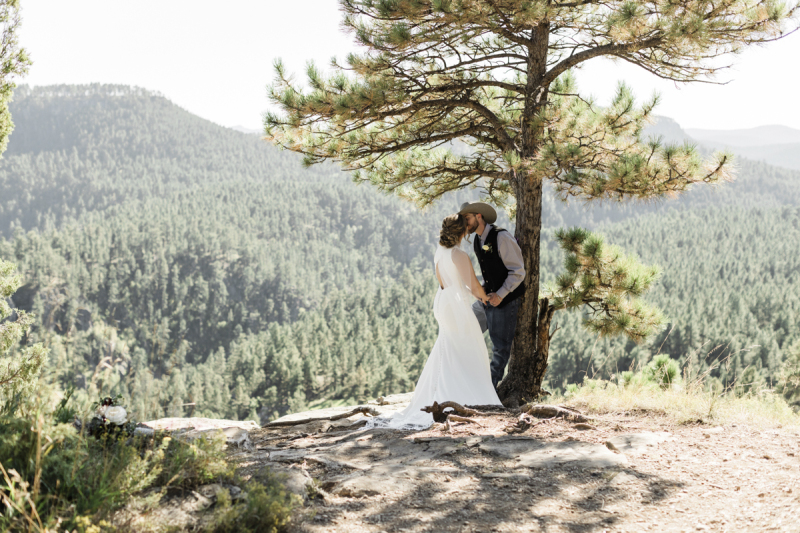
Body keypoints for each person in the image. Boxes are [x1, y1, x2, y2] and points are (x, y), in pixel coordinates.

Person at [366, 214, 502, 430]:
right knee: (468, 345)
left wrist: (471, 293)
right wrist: (487, 298)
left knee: (449, 347)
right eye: (466, 227)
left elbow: (448, 282)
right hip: (455, 306)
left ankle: (444, 391)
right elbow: (474, 286)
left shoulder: (441, 252)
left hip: (443, 301)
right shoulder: (459, 255)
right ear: (461, 231)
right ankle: (464, 393)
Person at [458, 202, 526, 389]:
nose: (465, 223)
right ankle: (466, 381)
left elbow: (518, 272)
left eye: (467, 218)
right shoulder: (477, 240)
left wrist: (501, 295)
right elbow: (490, 273)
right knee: (465, 330)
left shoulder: (501, 237)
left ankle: (488, 392)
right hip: (486, 299)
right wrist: (481, 292)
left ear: (479, 216)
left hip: (505, 301)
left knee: (500, 348)